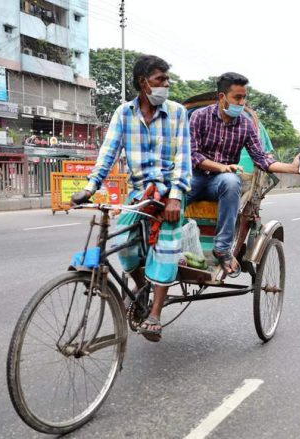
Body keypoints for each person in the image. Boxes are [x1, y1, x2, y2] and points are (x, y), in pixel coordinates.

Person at [71, 54, 191, 342]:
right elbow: (108, 153)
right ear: (143, 82)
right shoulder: (123, 113)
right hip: (138, 193)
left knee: (165, 247)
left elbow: (183, 158)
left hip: (169, 193)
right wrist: (90, 187)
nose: (166, 85)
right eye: (159, 79)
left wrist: (175, 197)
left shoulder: (177, 113)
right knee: (123, 245)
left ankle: (155, 314)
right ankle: (141, 287)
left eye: (167, 79)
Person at [186, 72, 300, 275]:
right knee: (171, 193)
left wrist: (291, 168)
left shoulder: (245, 124)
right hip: (195, 176)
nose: (242, 102)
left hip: (220, 182)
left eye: (243, 97)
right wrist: (221, 166)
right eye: (237, 98)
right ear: (222, 97)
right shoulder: (199, 116)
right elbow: (193, 154)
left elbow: (261, 158)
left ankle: (222, 249)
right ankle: (168, 244)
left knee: (231, 182)